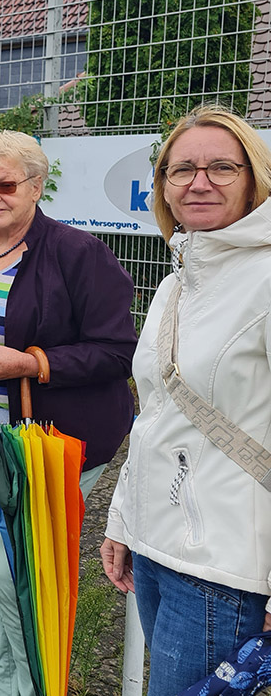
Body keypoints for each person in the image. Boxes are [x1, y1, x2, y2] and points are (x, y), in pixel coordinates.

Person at [0, 130, 136, 695]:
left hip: (50, 440)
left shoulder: (79, 254)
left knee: (13, 577)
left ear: (35, 186)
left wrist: (33, 363)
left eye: (6, 184)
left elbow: (117, 351)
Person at [100, 104, 271, 695]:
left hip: (222, 569)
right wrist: (125, 521)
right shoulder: (176, 282)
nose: (199, 182)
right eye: (182, 169)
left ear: (254, 180)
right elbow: (154, 418)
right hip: (155, 549)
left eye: (222, 167)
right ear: (164, 188)